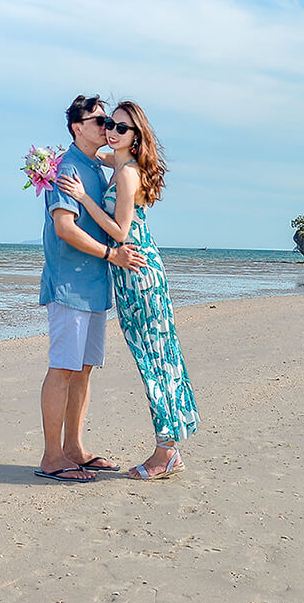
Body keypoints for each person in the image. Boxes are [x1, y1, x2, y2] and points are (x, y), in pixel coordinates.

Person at [56, 99, 198, 480]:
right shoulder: (116, 165)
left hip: (137, 270)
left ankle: (166, 451)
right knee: (154, 355)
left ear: (135, 138)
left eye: (119, 127)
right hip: (129, 270)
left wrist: (84, 198)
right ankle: (168, 448)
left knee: (155, 358)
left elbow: (120, 232)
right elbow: (89, 154)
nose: (110, 132)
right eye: (107, 124)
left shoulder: (128, 174)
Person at [37, 95, 146, 484]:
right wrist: (110, 253)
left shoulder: (96, 167)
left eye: (109, 121)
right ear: (76, 128)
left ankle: (74, 449)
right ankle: (52, 457)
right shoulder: (69, 168)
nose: (106, 126)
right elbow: (64, 227)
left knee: (82, 370)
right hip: (70, 284)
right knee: (63, 368)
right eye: (99, 120)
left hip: (94, 285)